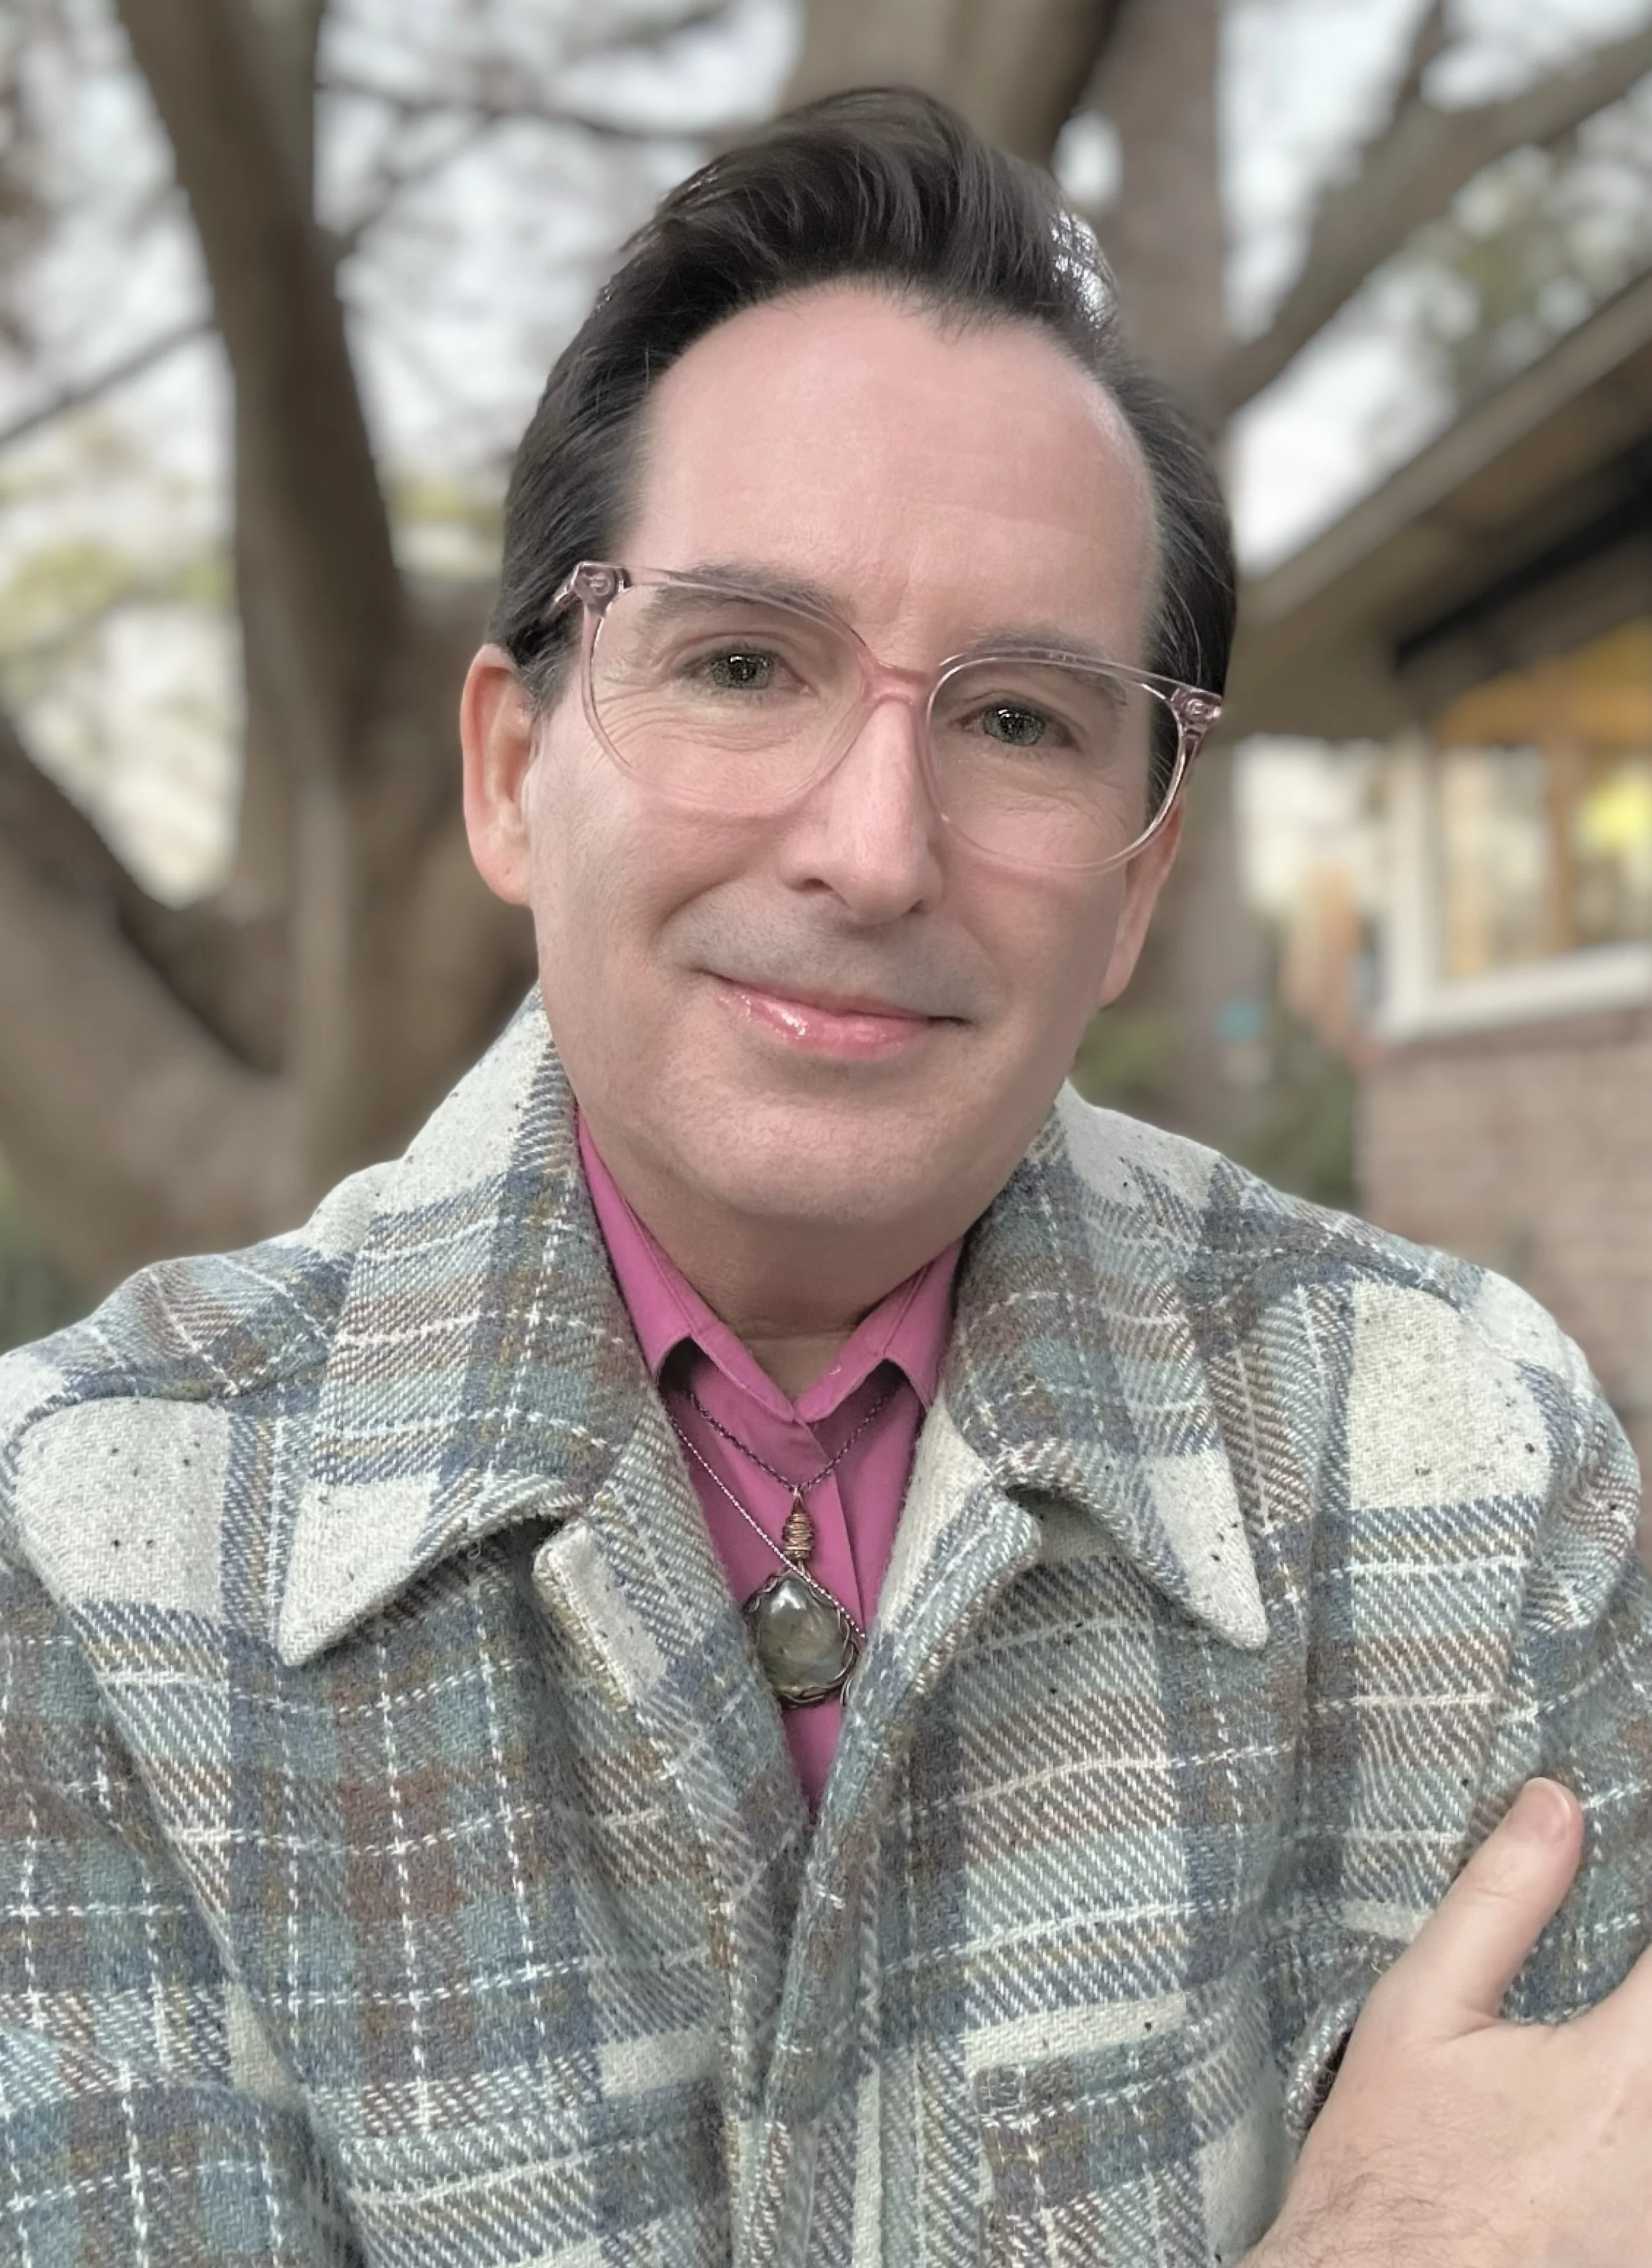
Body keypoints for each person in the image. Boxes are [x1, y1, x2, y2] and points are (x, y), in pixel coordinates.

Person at [0, 87, 1647, 2268]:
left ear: (1139, 883)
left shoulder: (1456, 1460)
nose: (870, 850)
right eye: (743, 664)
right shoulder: (98, 1561)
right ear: (514, 768)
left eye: (1019, 720)